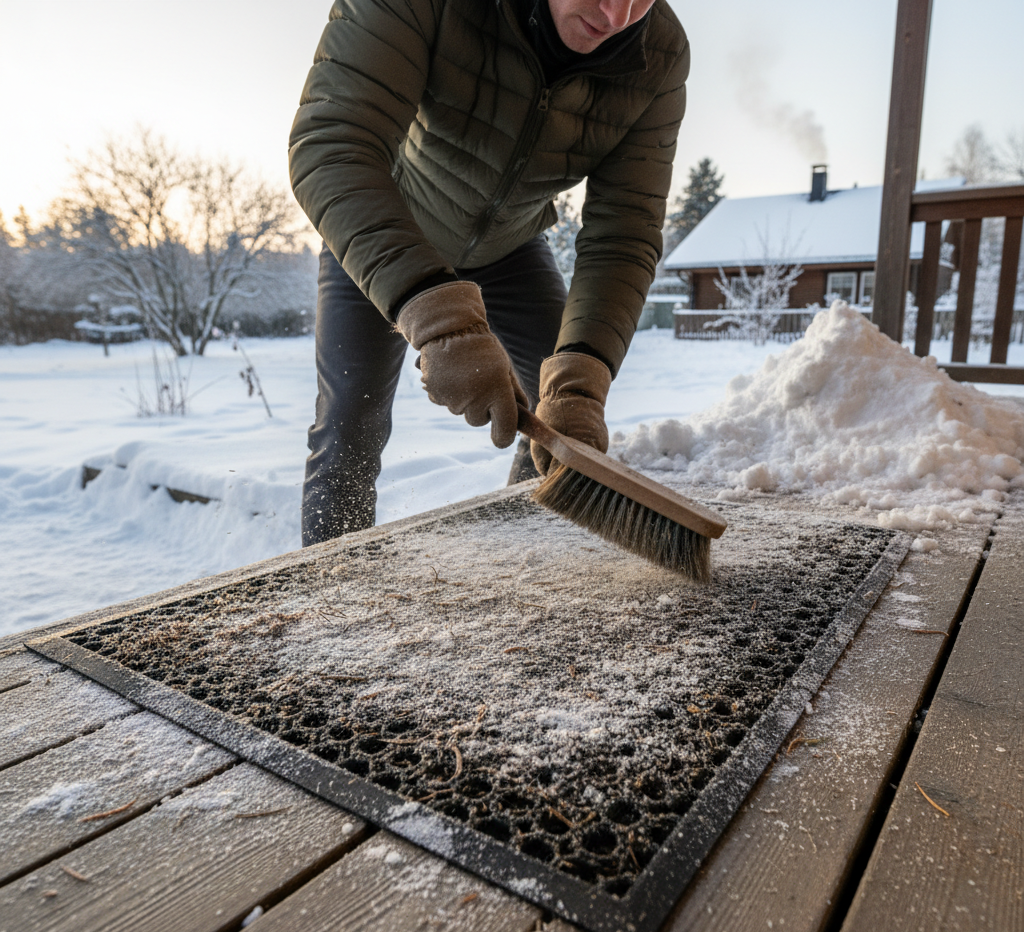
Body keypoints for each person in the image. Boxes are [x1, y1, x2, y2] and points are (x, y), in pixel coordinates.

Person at [290, 0, 690, 545]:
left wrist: (583, 380)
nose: (617, 13)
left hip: (512, 248)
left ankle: (520, 555)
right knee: (350, 425)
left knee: (561, 410)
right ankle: (326, 594)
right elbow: (332, 143)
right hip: (386, 232)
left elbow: (624, 232)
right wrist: (439, 317)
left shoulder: (659, 53)